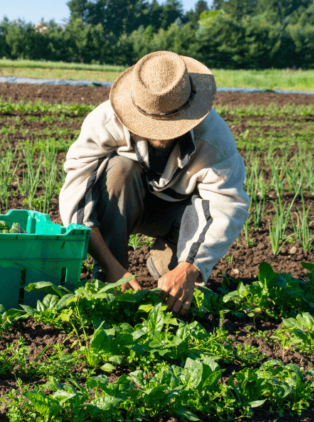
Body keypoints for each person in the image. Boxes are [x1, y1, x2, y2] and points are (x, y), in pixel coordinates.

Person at [59, 51, 250, 315]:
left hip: (177, 214)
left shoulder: (214, 138)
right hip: (124, 202)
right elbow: (77, 200)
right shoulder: (104, 121)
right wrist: (113, 269)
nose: (160, 134)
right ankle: (109, 280)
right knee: (119, 170)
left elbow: (226, 205)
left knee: (175, 289)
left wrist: (189, 268)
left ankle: (166, 261)